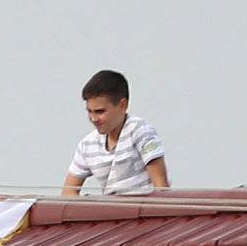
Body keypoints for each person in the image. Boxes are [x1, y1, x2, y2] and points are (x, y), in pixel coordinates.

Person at [62, 68, 170, 197]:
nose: (93, 119)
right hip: (112, 212)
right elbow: (68, 191)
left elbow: (161, 187)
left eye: (100, 111)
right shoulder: (87, 145)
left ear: (122, 105)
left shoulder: (141, 131)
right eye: (89, 111)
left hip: (143, 212)